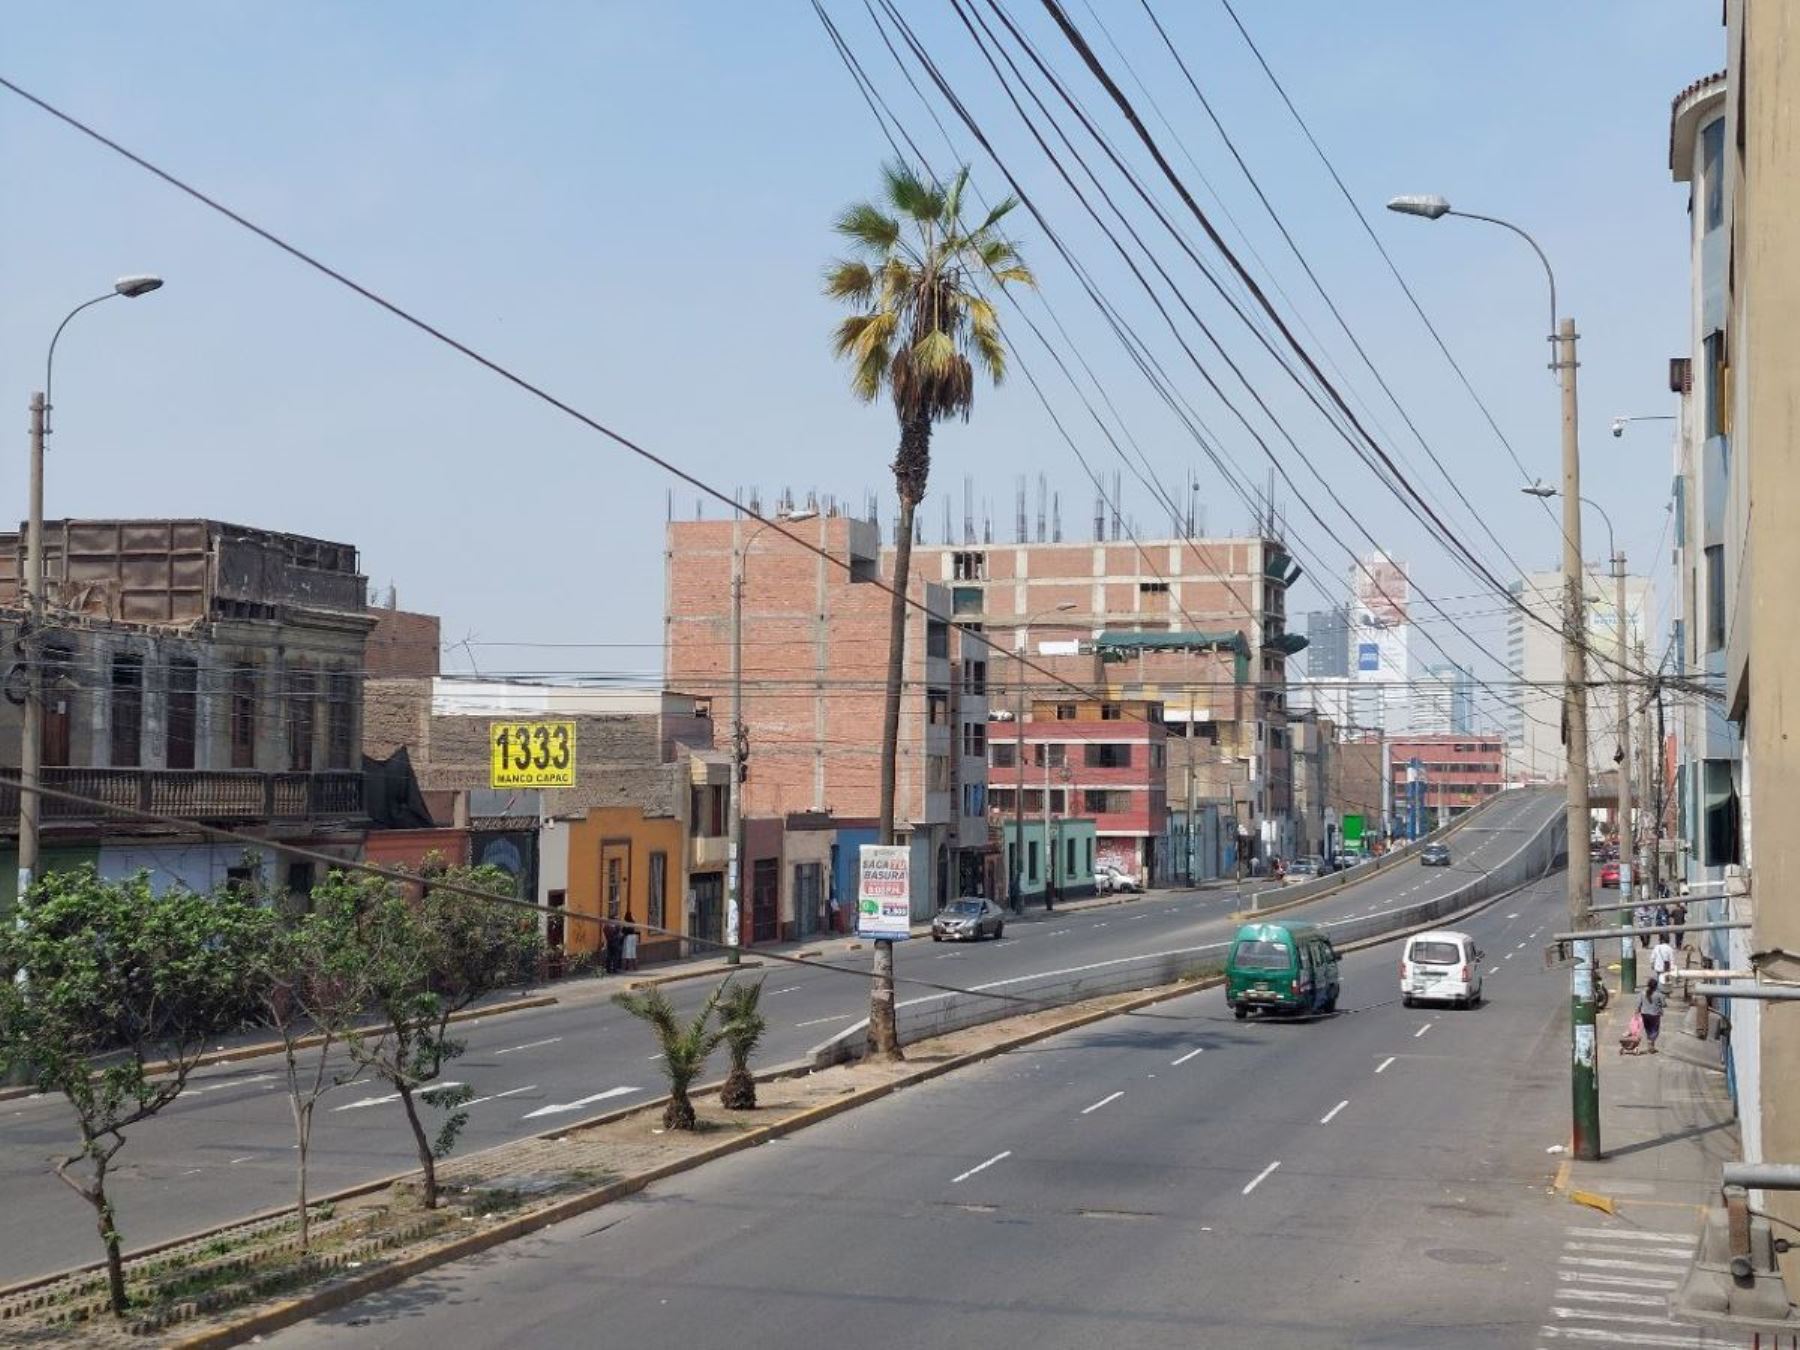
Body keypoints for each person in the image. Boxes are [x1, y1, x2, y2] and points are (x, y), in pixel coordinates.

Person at [1637, 976, 1667, 1054]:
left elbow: (1639, 1004)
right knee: (1655, 1030)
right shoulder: (1659, 994)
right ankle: (1651, 1043)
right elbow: (1664, 1004)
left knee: (1648, 1030)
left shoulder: (1642, 993)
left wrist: (1637, 1011)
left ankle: (1651, 1046)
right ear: (1656, 986)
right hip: (1655, 1014)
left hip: (1644, 1014)